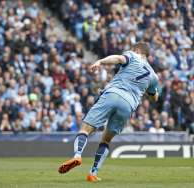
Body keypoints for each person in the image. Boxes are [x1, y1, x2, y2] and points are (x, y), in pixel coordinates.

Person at [58, 42, 159, 182]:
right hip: (128, 105)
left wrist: (100, 61)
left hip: (113, 93)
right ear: (148, 55)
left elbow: (117, 58)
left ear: (137, 50)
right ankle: (92, 173)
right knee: (106, 140)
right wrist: (152, 91)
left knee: (85, 129)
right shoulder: (153, 76)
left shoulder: (132, 55)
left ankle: (77, 155)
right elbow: (154, 96)